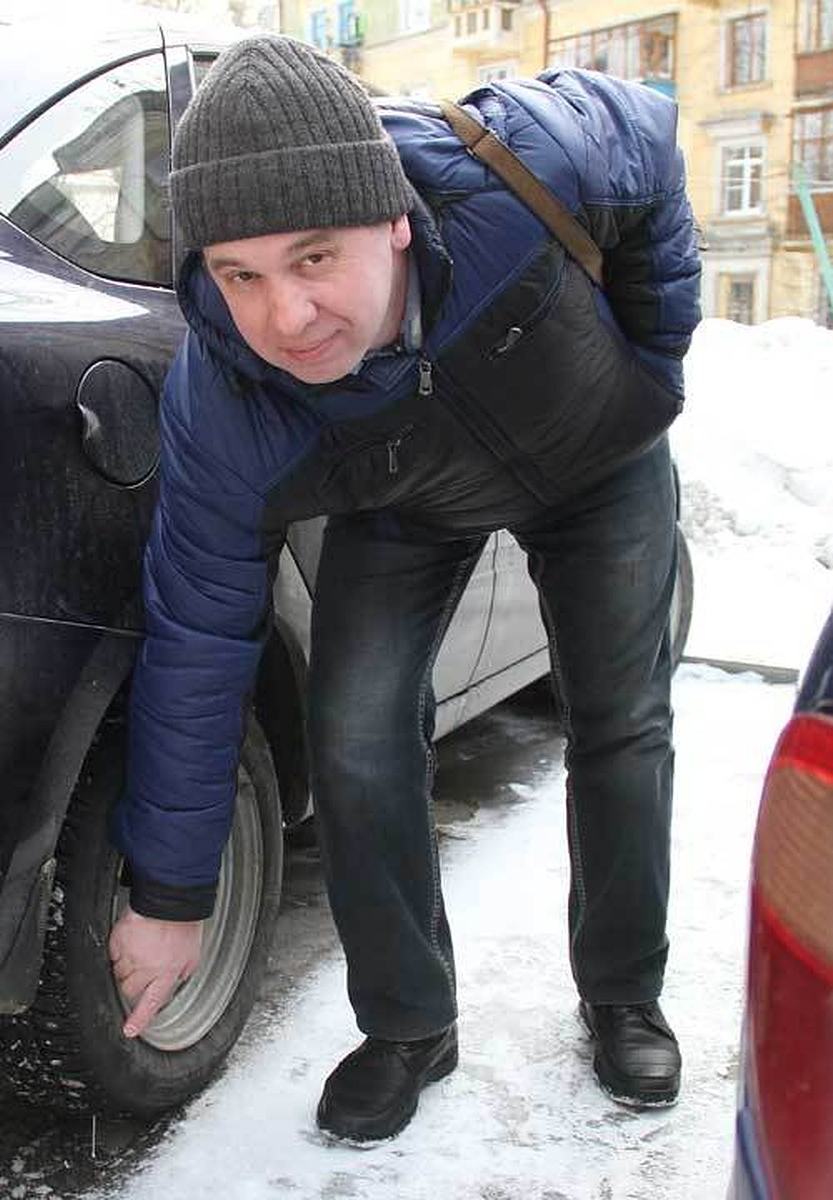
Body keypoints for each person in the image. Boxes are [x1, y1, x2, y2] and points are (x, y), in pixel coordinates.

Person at [107, 33, 701, 1142]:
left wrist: (652, 367)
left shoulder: (516, 171)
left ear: (391, 219)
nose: (286, 319)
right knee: (357, 734)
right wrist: (171, 898)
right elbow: (196, 642)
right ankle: (409, 1023)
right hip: (406, 496)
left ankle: (624, 994)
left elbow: (655, 142)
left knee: (622, 721)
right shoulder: (228, 397)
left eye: (314, 259)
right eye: (241, 274)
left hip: (596, 460)